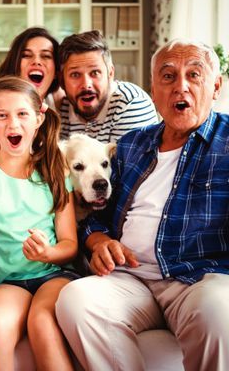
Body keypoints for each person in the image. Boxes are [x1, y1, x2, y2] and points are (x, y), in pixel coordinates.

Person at [55, 39, 229, 371]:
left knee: (218, 309)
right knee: (77, 300)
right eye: (168, 76)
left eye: (194, 75)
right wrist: (98, 240)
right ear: (153, 89)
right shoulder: (133, 143)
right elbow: (97, 215)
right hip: (130, 278)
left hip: (200, 277)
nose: (181, 87)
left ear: (215, 86)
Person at [0, 76, 78, 371]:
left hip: (53, 274)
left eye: (22, 114)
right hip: (9, 282)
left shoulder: (54, 170)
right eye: (2, 115)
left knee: (42, 320)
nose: (13, 124)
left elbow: (70, 244)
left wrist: (47, 254)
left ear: (39, 118)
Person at [58, 29, 159, 142]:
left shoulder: (132, 103)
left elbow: (125, 159)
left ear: (110, 74)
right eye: (75, 74)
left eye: (95, 73)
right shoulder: (64, 107)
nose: (86, 85)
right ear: (62, 80)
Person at [0, 26, 64, 106]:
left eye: (46, 56)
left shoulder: (58, 105)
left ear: (56, 72)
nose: (36, 61)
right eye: (26, 55)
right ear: (15, 65)